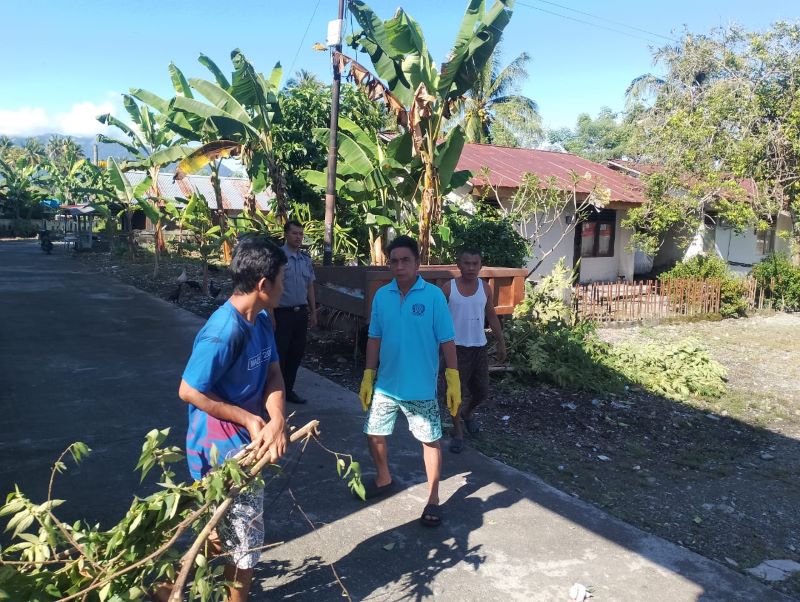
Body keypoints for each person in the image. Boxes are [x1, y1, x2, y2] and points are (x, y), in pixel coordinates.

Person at [177, 237, 289, 602]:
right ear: (263, 285)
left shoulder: (262, 320)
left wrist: (276, 418)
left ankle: (167, 587)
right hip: (219, 453)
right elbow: (189, 390)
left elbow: (274, 374)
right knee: (245, 548)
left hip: (246, 445)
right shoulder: (223, 331)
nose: (285, 286)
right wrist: (248, 418)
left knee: (220, 534)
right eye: (282, 279)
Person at [358, 235, 461, 528]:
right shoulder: (382, 296)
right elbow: (374, 337)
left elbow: (447, 340)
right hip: (386, 385)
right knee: (373, 433)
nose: (400, 266)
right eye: (394, 261)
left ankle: (433, 498)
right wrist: (368, 374)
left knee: (430, 440)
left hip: (420, 387)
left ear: (417, 263)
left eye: (406, 260)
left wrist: (452, 377)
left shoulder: (433, 297)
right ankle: (384, 478)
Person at [440, 248, 508, 454]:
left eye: (475, 264)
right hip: (455, 349)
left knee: (482, 391)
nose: (470, 268)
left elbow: (492, 316)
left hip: (478, 347)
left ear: (480, 266)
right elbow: (437, 319)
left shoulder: (485, 289)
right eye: (466, 263)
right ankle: (458, 432)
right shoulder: (448, 289)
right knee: (454, 393)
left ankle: (467, 413)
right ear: (458, 265)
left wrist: (501, 342)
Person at [274, 220, 317, 404]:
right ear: (286, 234)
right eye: (294, 233)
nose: (298, 237)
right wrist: (270, 314)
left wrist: (313, 311)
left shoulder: (305, 259)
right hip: (282, 314)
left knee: (296, 353)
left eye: (301, 234)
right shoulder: (278, 258)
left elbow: (310, 286)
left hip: (300, 314)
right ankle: (274, 393)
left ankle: (288, 390)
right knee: (279, 354)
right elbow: (271, 287)